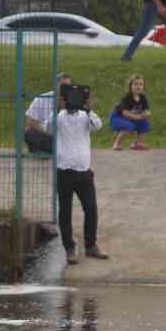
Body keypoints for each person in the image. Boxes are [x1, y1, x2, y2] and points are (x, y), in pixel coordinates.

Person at [54, 78, 108, 265]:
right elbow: (46, 128)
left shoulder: (86, 117)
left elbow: (99, 125)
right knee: (65, 211)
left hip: (84, 172)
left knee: (91, 209)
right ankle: (69, 248)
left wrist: (88, 108)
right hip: (64, 172)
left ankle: (91, 245)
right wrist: (57, 109)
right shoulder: (59, 118)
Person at [108, 74, 152, 151]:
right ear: (130, 86)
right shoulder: (127, 97)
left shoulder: (142, 97)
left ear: (143, 87)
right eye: (135, 84)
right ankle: (116, 144)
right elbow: (125, 113)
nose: (138, 86)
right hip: (117, 117)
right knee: (128, 126)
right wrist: (138, 117)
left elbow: (147, 110)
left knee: (144, 123)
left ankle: (138, 143)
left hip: (131, 117)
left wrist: (147, 114)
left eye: (141, 84)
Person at [23, 82, 58, 154]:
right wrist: (46, 133)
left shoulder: (74, 100)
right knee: (29, 133)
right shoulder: (42, 98)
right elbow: (30, 121)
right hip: (46, 135)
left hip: (65, 137)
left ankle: (48, 150)